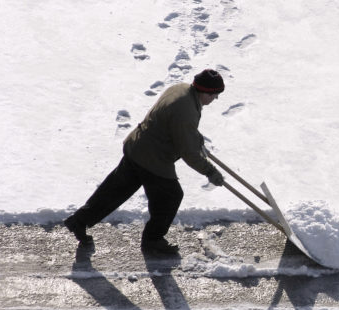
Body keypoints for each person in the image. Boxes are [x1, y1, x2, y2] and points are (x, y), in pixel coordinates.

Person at [64, 69, 226, 255]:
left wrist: (195, 138)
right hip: (153, 158)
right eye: (214, 95)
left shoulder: (181, 89)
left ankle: (79, 221)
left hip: (138, 147)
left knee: (114, 190)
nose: (214, 99)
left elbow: (176, 127)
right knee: (170, 196)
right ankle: (153, 240)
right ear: (204, 91)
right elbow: (188, 151)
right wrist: (210, 171)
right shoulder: (186, 110)